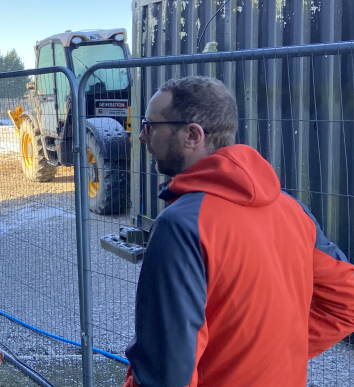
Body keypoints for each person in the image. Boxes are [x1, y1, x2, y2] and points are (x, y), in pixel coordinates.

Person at [124, 76, 354, 387]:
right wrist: (275, 354)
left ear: (193, 135)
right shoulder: (291, 209)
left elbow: (165, 377)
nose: (142, 136)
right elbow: (346, 301)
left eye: (150, 125)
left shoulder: (180, 226)